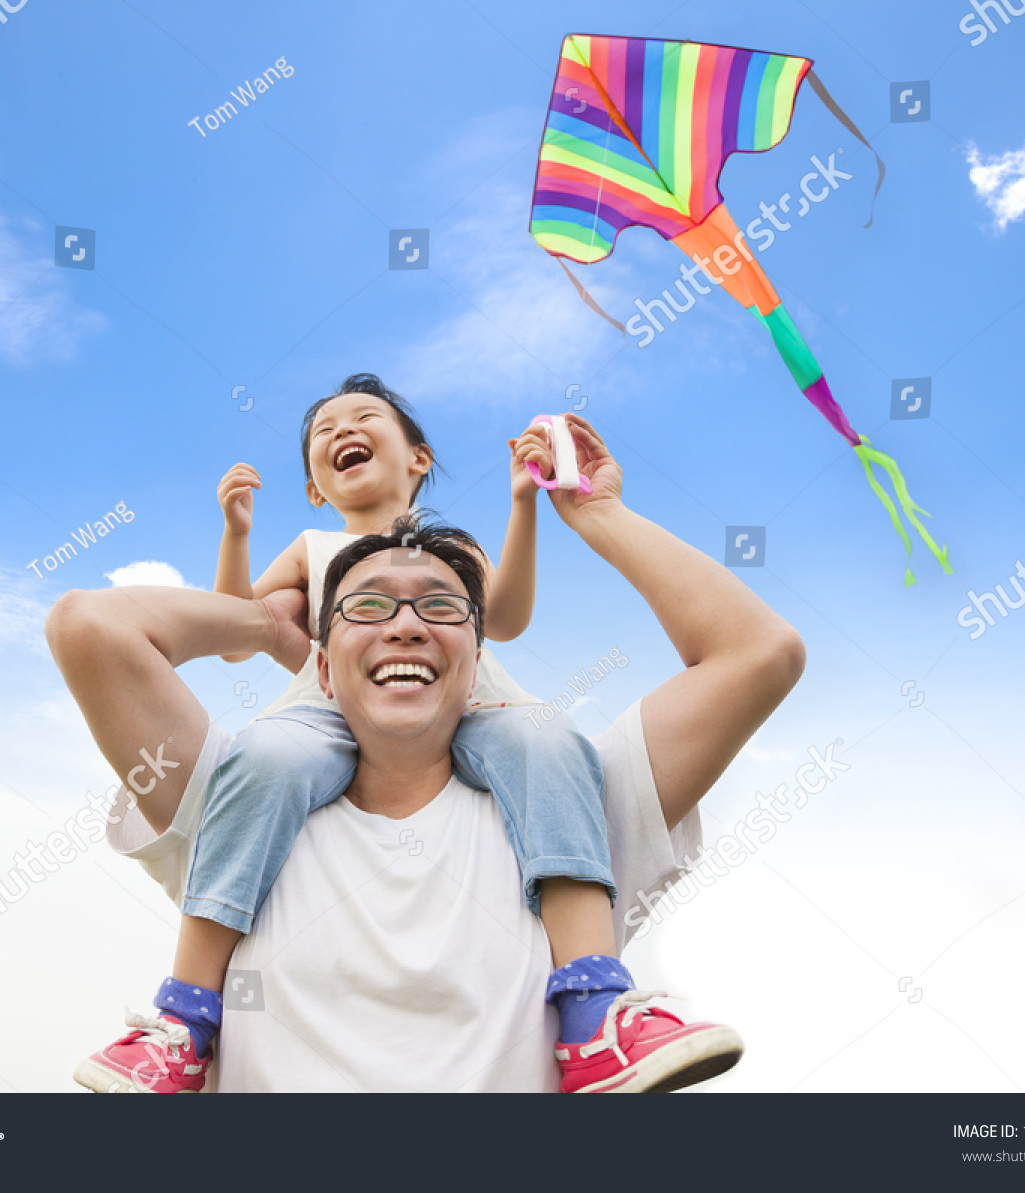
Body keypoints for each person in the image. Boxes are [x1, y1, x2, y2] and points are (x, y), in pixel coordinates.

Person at [45, 414, 805, 1092]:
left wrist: (594, 512)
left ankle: (598, 1014)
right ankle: (182, 1026)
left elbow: (759, 651)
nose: (405, 625)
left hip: (504, 740)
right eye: (368, 607)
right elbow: (89, 627)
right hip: (300, 713)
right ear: (321, 661)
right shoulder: (244, 803)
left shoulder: (565, 804)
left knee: (538, 735)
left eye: (440, 607)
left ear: (474, 662)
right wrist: (270, 624)